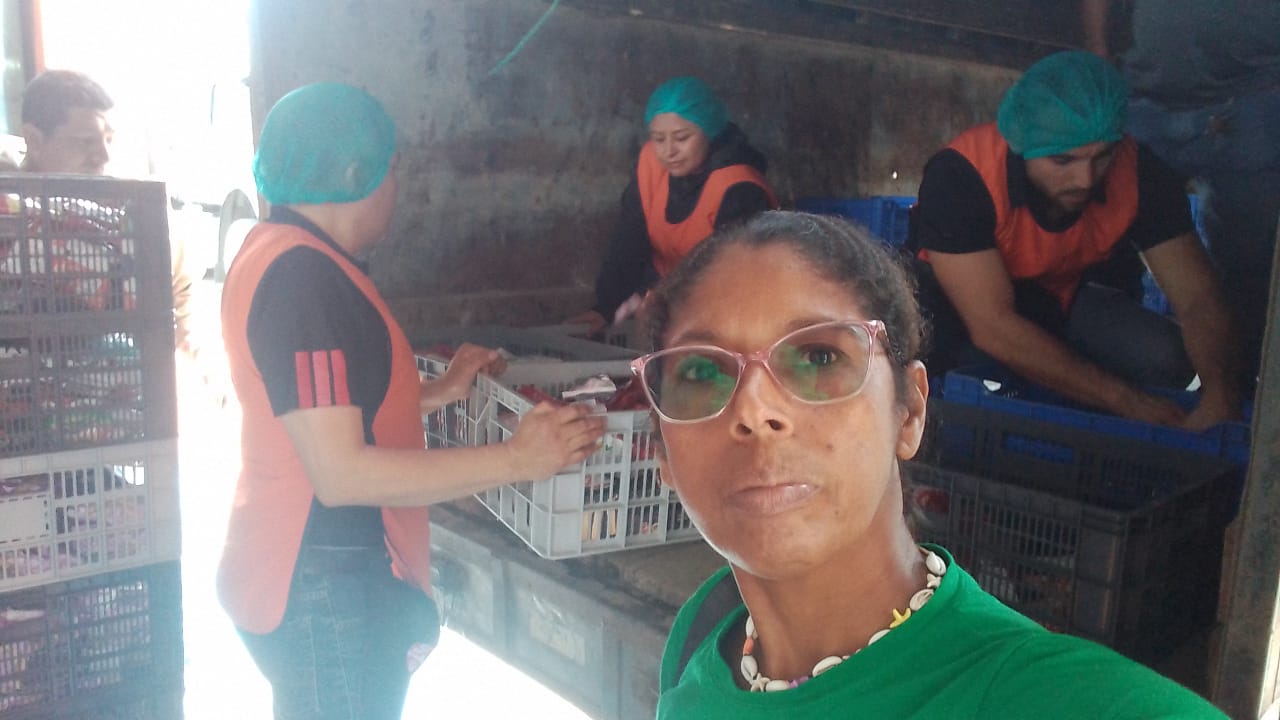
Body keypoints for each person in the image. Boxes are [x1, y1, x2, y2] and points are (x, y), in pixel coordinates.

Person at [634, 210, 1226, 718]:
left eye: (819, 357)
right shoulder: (703, 633)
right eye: (701, 372)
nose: (755, 410)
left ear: (910, 412)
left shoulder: (1044, 696)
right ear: (662, 451)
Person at [218, 83, 605, 720]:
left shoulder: (280, 251)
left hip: (302, 569)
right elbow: (340, 474)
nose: (397, 186)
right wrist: (517, 459)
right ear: (355, 174)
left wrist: (439, 392)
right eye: (392, 168)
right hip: (323, 585)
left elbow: (322, 413)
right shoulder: (303, 281)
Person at [909, 51, 1242, 430]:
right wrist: (1126, 400)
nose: (1085, 179)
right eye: (1062, 161)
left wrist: (1221, 395)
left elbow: (1198, 296)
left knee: (1166, 356)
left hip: (1057, 299)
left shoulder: (1140, 173)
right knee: (962, 369)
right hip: (952, 308)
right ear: (1022, 147)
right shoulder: (961, 175)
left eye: (1101, 157)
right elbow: (992, 326)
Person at [1082, 0, 1280, 389]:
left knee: (1251, 269)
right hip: (1143, 96)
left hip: (1253, 104)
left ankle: (1237, 393)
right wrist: (1097, 49)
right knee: (1105, 249)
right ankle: (1102, 387)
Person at [567, 76, 776, 336]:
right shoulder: (651, 165)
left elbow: (733, 276)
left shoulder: (738, 187)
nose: (668, 151)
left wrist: (667, 304)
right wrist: (605, 308)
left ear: (709, 131)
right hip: (666, 305)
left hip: (724, 316)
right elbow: (628, 239)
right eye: (658, 138)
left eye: (682, 137)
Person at [18, 69, 198, 355]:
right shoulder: (10, 219)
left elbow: (181, 303)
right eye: (85, 141)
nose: (103, 156)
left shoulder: (135, 218)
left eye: (108, 140)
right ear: (34, 140)